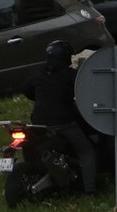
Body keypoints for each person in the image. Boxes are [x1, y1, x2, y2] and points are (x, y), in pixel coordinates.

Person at [26, 40, 95, 196]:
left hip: (38, 123)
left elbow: (27, 90)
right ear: (65, 57)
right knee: (86, 152)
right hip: (63, 123)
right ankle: (89, 189)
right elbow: (83, 92)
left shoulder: (36, 72)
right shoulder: (71, 75)